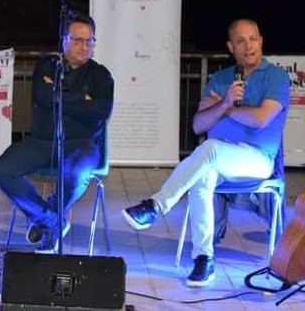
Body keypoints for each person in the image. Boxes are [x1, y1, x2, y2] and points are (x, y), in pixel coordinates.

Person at [122, 18, 289, 287]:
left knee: (209, 149)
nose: (248, 46)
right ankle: (203, 258)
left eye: (253, 39)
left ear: (261, 41)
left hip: (257, 159)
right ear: (230, 47)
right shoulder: (220, 79)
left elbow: (261, 119)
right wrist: (224, 102)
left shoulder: (276, 76)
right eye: (241, 41)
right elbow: (199, 125)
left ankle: (156, 205)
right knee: (203, 177)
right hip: (218, 160)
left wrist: (226, 108)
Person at [0, 11, 114, 253]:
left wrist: (59, 95)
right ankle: (51, 220)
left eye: (89, 41)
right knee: (2, 171)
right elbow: (42, 97)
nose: (84, 47)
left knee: (76, 174)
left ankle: (47, 221)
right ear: (64, 39)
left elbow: (100, 110)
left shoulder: (101, 76)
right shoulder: (48, 65)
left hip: (81, 143)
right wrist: (82, 99)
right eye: (77, 40)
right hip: (40, 141)